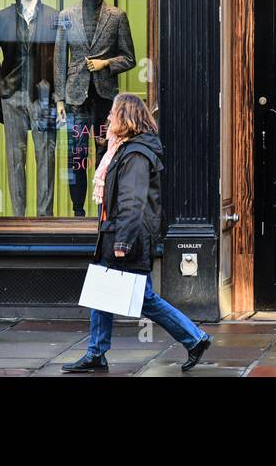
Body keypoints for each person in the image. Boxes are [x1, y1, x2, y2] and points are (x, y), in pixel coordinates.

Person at [63, 94, 213, 373]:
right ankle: (96, 352)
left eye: (113, 114)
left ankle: (195, 338)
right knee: (101, 293)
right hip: (116, 233)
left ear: (126, 118)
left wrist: (122, 241)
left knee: (144, 300)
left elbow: (133, 202)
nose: (108, 118)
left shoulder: (135, 154)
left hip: (127, 237)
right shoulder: (123, 149)